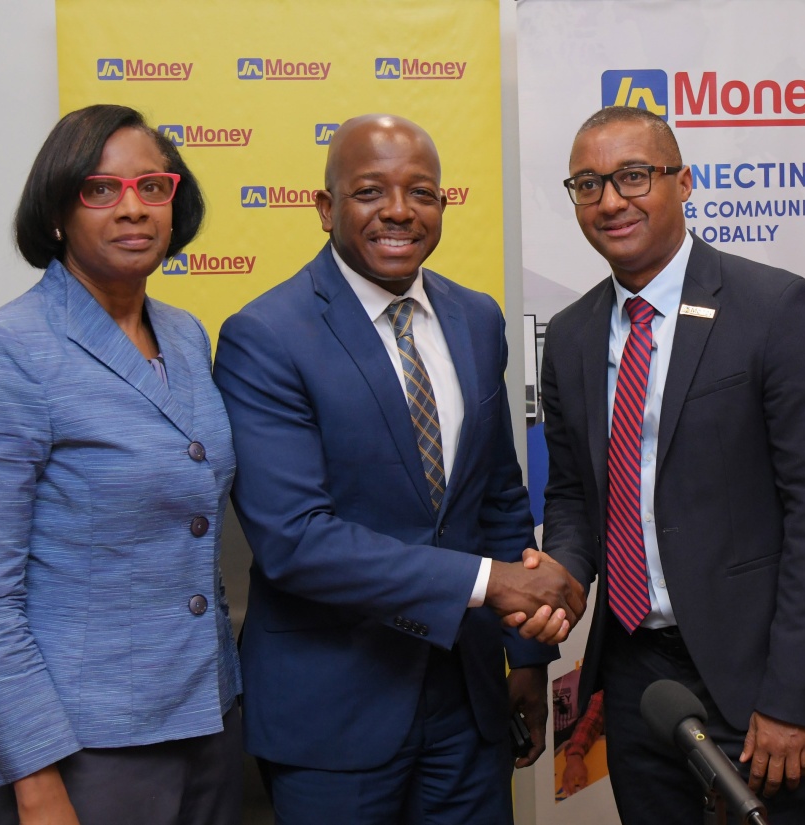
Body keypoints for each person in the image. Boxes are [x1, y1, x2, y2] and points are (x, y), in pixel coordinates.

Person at [213, 113, 585, 825]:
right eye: (369, 191)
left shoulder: (477, 319)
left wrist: (528, 660)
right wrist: (490, 582)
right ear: (325, 209)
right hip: (336, 710)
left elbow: (499, 496)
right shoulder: (266, 336)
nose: (398, 211)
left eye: (421, 192)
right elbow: (296, 540)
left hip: (469, 704)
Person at [532, 106, 805, 825]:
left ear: (684, 182)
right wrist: (560, 567)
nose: (611, 200)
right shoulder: (574, 334)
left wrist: (790, 695)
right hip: (636, 672)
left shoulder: (771, 305)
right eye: (589, 184)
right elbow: (573, 495)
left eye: (633, 176)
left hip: (757, 673)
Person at [0, 104, 242, 824]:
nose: (134, 208)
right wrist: (35, 778)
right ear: (58, 208)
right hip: (83, 751)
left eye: (153, 187)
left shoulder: (187, 336)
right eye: (102, 189)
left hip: (211, 718)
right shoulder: (8, 350)